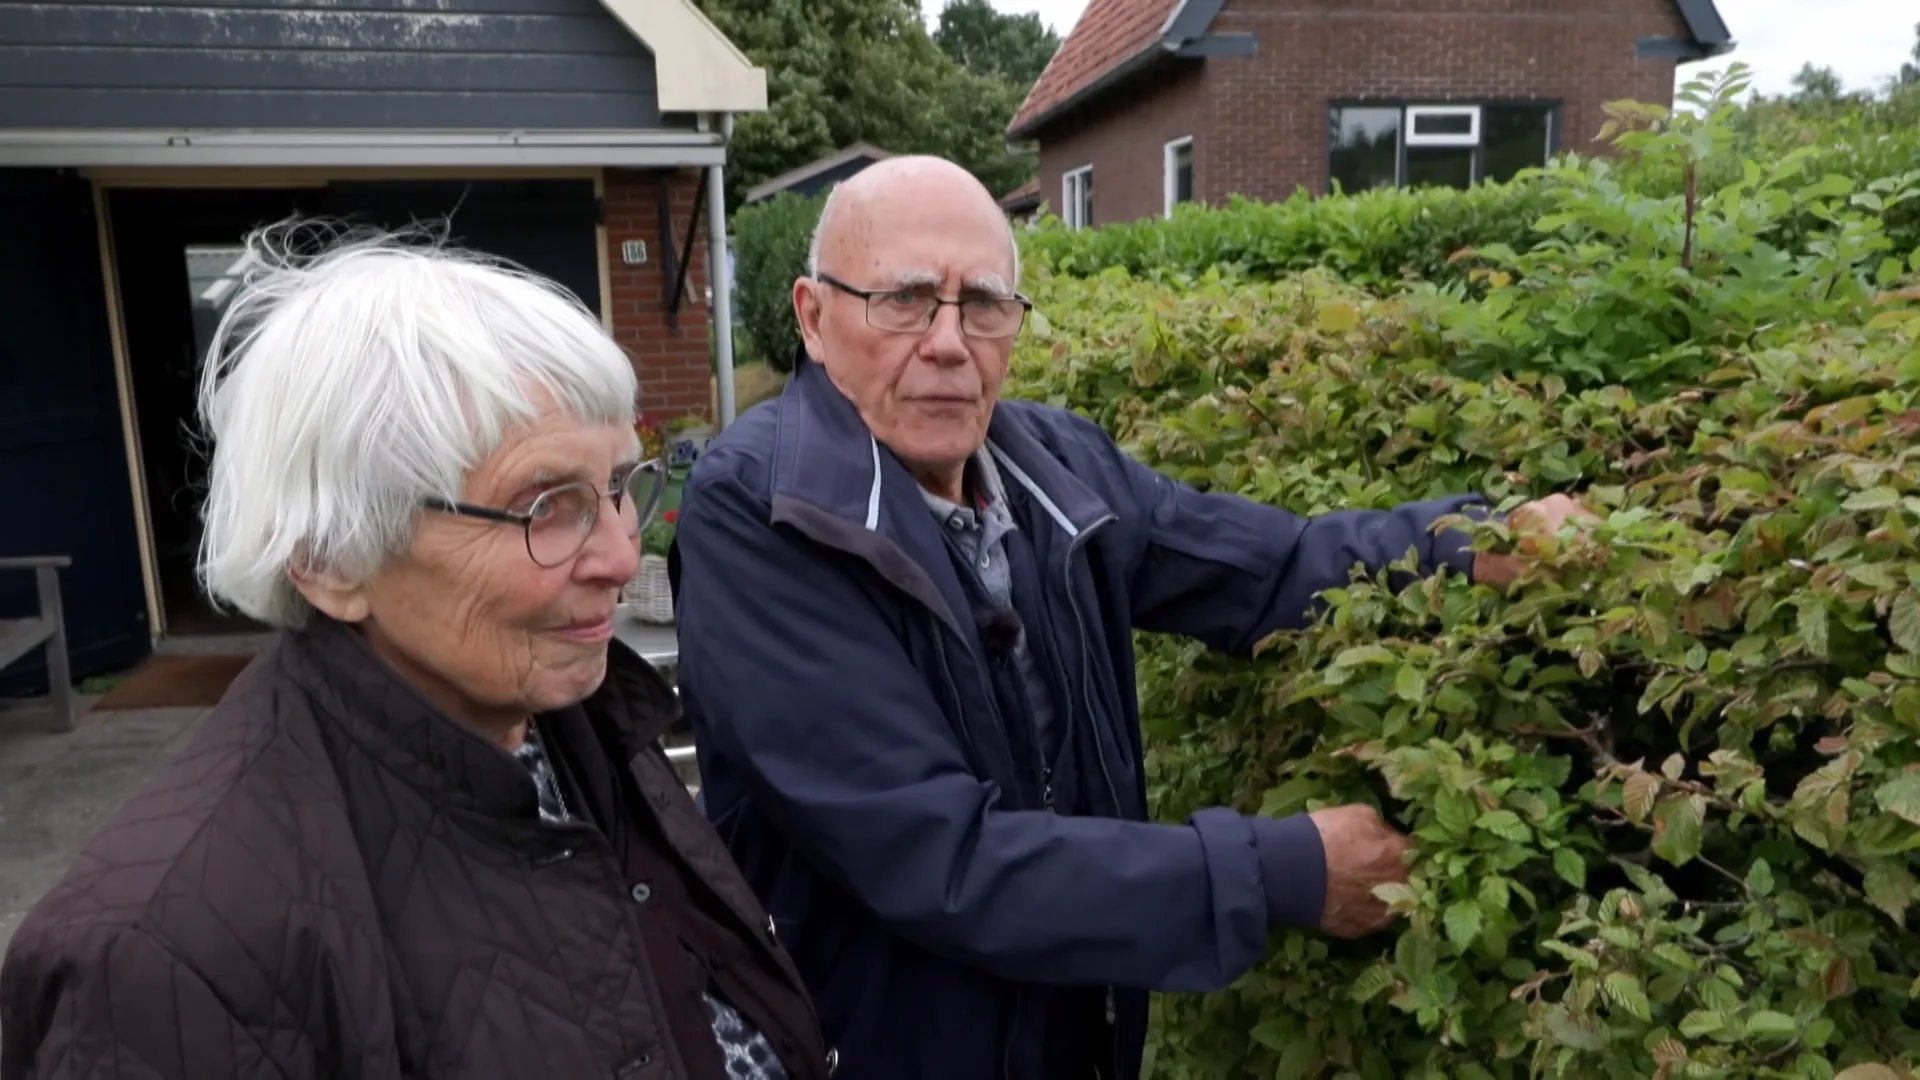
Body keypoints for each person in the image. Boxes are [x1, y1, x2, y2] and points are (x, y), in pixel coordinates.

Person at [667, 156, 1591, 1080]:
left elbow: (1269, 568)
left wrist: (1466, 544)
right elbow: (941, 857)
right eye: (905, 300)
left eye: (983, 303)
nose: (949, 342)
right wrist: (1275, 872)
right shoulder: (762, 511)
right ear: (813, 318)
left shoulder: (1056, 467)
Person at [0, 224, 838, 1080]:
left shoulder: (567, 715)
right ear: (330, 560)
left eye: (619, 485)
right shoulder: (159, 963)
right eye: (545, 504)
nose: (624, 554)